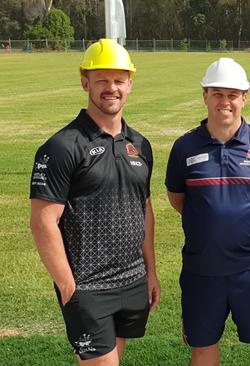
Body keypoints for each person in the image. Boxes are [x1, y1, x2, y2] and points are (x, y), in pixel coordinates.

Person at [29, 38, 160, 365]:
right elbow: (43, 221)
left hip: (132, 281)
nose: (111, 88)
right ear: (85, 81)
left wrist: (151, 272)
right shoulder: (61, 146)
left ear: (130, 83)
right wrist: (68, 287)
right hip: (87, 288)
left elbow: (143, 208)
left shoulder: (140, 145)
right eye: (101, 79)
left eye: (118, 80)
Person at [165, 57, 250, 366]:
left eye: (232, 95)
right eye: (217, 94)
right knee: (204, 345)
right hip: (201, 270)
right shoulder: (184, 147)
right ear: (205, 95)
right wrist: (210, 223)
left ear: (244, 97)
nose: (225, 102)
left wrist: (248, 226)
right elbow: (177, 197)